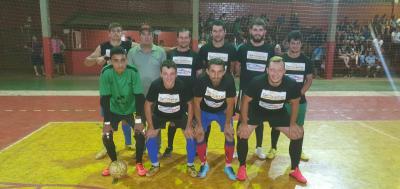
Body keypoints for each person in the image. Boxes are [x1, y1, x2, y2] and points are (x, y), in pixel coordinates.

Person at [236, 56, 307, 183]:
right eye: (272, 70)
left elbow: (295, 103)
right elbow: (245, 101)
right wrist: (244, 123)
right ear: (267, 70)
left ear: (284, 71)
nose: (275, 74)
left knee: (298, 133)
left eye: (279, 70)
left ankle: (294, 169)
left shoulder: (291, 84)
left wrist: (292, 124)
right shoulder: (257, 82)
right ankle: (242, 166)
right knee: (242, 132)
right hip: (257, 110)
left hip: (278, 112)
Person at [84, 22, 134, 160]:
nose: (117, 33)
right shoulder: (103, 47)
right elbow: (87, 61)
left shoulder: (128, 45)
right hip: (109, 90)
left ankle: (128, 143)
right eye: (114, 31)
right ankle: (106, 147)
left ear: (121, 32)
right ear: (109, 33)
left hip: (124, 87)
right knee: (107, 119)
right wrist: (96, 59)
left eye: (119, 30)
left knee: (126, 117)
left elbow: (147, 47)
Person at [99, 47, 147, 177]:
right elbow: (104, 100)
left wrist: (138, 120)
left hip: (131, 109)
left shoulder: (133, 72)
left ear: (126, 60)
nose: (120, 64)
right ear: (110, 61)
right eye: (116, 61)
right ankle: (114, 163)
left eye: (123, 60)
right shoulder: (106, 72)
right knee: (106, 136)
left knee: (141, 133)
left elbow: (139, 97)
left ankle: (139, 162)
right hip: (113, 110)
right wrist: (107, 122)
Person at [144, 60, 197, 177]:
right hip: (160, 114)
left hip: (179, 114)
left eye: (172, 74)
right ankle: (154, 165)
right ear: (161, 74)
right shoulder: (155, 85)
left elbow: (190, 104)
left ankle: (190, 165)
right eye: (165, 74)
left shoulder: (182, 85)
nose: (168, 77)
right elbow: (147, 104)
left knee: (191, 136)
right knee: (150, 136)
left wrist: (188, 126)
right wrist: (151, 126)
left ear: (176, 74)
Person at [267, 31, 313, 162]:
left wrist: (300, 94)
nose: (295, 46)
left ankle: (299, 149)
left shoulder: (306, 61)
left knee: (299, 126)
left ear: (301, 45)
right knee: (276, 125)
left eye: (298, 43)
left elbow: (309, 80)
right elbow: (273, 76)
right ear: (288, 44)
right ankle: (273, 148)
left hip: (299, 100)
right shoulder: (282, 59)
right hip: (281, 99)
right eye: (293, 43)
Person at [236, 18, 274, 159]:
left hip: (263, 92)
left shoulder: (270, 50)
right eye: (255, 29)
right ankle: (238, 147)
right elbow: (238, 66)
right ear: (250, 31)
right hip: (245, 90)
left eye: (260, 30)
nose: (257, 32)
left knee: (260, 120)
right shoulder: (243, 48)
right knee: (241, 119)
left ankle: (258, 148)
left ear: (264, 32)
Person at [193, 58, 237, 180]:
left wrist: (228, 124)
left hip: (221, 111)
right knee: (199, 133)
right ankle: (203, 164)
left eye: (219, 72)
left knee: (229, 133)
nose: (216, 75)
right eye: (212, 71)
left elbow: (230, 103)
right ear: (207, 71)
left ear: (224, 72)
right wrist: (199, 124)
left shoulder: (229, 81)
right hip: (205, 110)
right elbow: (196, 102)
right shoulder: (201, 80)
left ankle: (228, 165)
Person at [128, 24, 167, 156]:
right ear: (139, 37)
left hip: (157, 96)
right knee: (139, 122)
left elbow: (165, 73)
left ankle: (156, 148)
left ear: (152, 37)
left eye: (149, 35)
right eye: (144, 35)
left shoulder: (160, 52)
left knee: (156, 122)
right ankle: (140, 147)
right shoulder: (132, 53)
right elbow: (129, 74)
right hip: (138, 96)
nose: (146, 37)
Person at [198, 19, 238, 146]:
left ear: (225, 32)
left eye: (220, 31)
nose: (217, 34)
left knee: (228, 128)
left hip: (224, 92)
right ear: (211, 33)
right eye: (215, 31)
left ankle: (230, 150)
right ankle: (205, 146)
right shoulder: (204, 49)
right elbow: (202, 71)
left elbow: (231, 70)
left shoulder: (231, 49)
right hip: (208, 92)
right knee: (205, 126)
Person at [162, 28, 202, 158]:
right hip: (174, 95)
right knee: (173, 122)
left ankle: (194, 146)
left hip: (190, 96)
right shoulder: (171, 54)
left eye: (186, 37)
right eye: (181, 37)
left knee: (193, 122)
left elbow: (199, 75)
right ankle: (169, 146)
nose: (183, 40)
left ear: (190, 39)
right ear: (177, 39)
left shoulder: (196, 56)